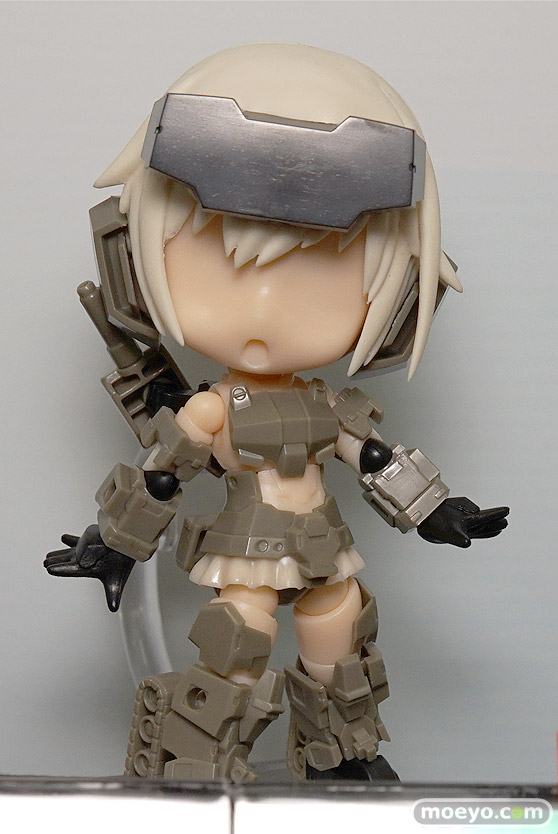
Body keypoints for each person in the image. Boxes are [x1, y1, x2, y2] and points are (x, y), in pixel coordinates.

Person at [45, 43, 508, 783]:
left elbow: (375, 457)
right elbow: (164, 474)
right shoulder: (212, 407)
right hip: (247, 548)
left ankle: (341, 758)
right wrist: (116, 544)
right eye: (219, 271)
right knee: (236, 645)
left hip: (323, 543)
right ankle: (199, 765)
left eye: (319, 283)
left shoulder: (324, 403)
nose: (262, 312)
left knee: (341, 635)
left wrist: (435, 510)